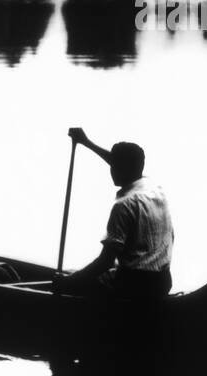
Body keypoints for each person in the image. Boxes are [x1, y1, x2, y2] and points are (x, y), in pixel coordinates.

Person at [58, 127, 173, 300]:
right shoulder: (155, 189)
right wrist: (86, 142)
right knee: (78, 275)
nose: (111, 169)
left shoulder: (123, 205)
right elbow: (120, 162)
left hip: (132, 286)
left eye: (115, 166)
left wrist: (67, 283)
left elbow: (105, 262)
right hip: (161, 282)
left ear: (123, 168)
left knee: (75, 282)